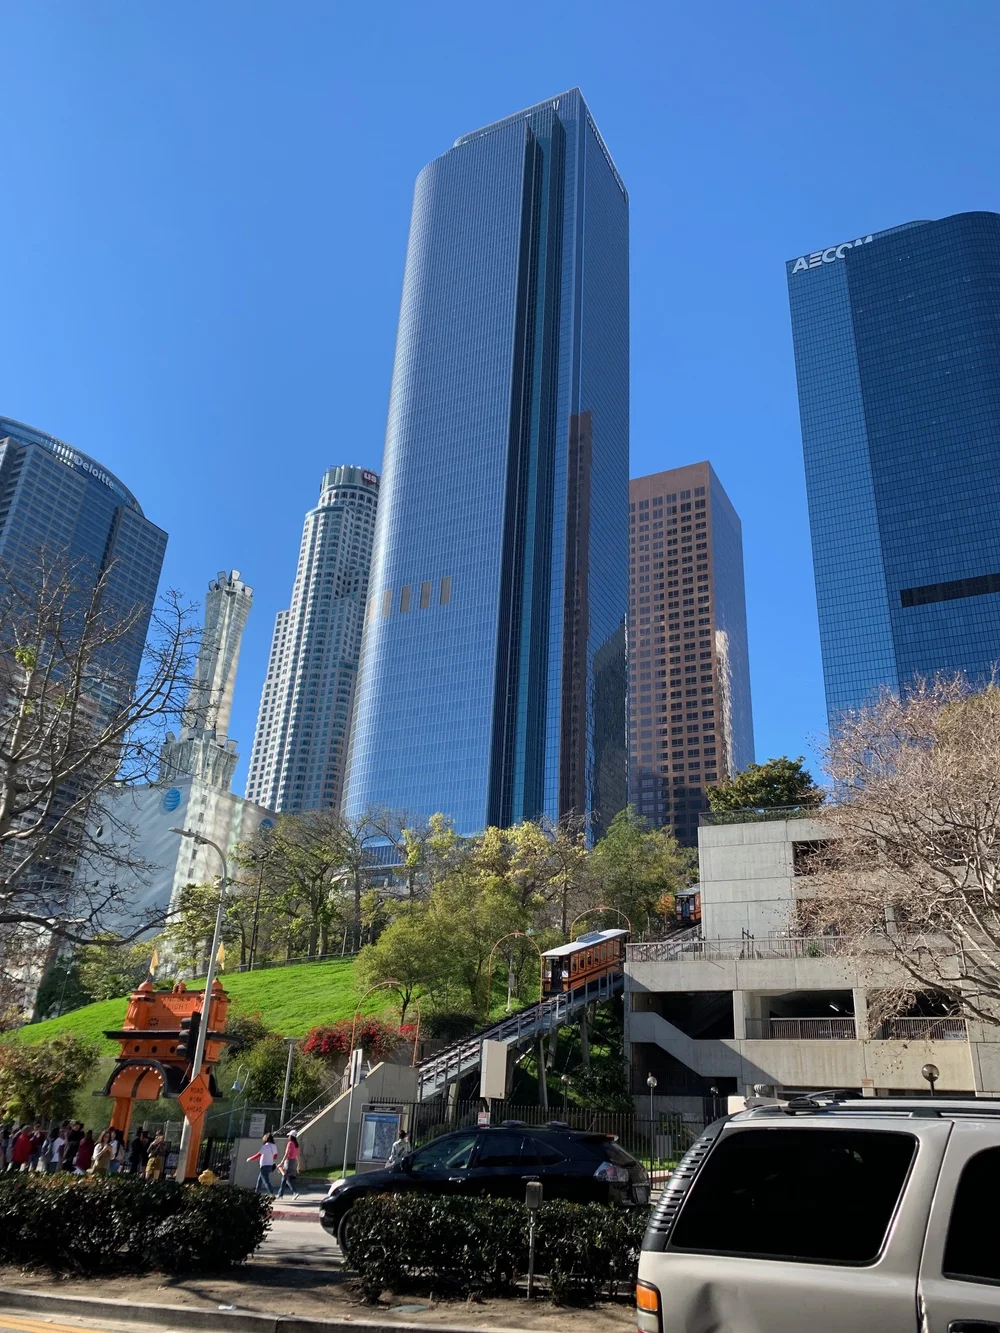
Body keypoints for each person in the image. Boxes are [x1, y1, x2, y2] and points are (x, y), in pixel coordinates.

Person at [275, 1133, 300, 1199]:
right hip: (293, 1162)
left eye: (289, 1136)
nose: (288, 1136)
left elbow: (286, 1154)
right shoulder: (296, 1145)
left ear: (291, 1136)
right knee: (284, 1178)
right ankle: (280, 1194)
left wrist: (281, 1162)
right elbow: (297, 1155)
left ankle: (295, 1192)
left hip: (288, 1162)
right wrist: (298, 1164)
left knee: (287, 1178)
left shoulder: (290, 1143)